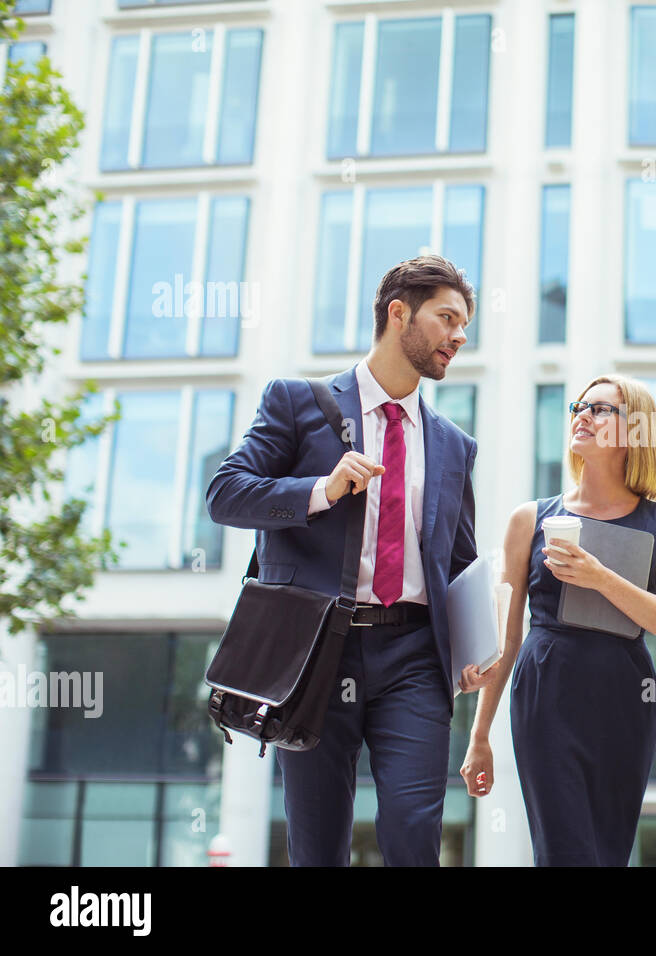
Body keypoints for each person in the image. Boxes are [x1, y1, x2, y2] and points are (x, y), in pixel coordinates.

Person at [206, 254, 481, 866]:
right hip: (316, 652)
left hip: (414, 657)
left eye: (465, 324)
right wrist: (320, 491)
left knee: (414, 834)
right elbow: (225, 494)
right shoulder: (296, 403)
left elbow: (459, 560)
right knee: (318, 838)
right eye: (447, 318)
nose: (460, 335)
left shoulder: (455, 446)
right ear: (398, 313)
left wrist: (473, 650)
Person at [457, 375, 656, 866]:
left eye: (601, 409)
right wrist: (478, 736)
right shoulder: (530, 519)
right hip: (547, 692)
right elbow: (508, 632)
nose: (582, 415)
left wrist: (600, 577)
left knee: (607, 853)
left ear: (635, 431)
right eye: (579, 406)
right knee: (565, 852)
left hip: (627, 699)